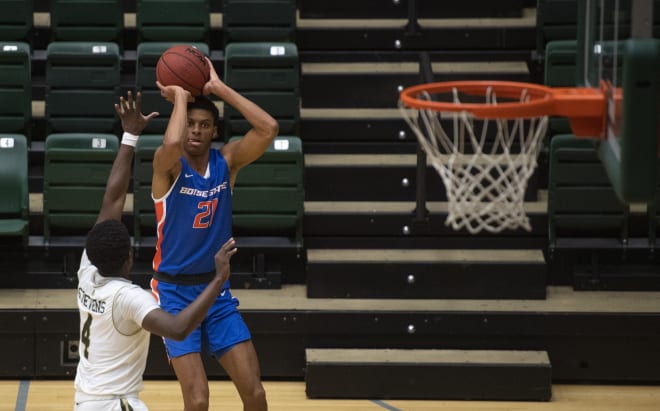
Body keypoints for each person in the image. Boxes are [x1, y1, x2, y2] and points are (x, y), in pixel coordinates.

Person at [74, 91, 238, 411]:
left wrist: (130, 136)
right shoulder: (129, 298)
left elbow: (111, 202)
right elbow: (177, 328)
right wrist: (218, 279)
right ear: (130, 258)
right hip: (116, 404)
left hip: (85, 401)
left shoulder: (86, 271)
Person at [150, 57, 278, 411]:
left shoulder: (227, 163)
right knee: (199, 399)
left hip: (216, 290)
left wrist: (218, 89)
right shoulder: (168, 168)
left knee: (255, 394)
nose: (195, 130)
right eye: (190, 123)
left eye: (205, 124)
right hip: (173, 293)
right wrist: (180, 97)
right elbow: (171, 146)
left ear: (214, 132)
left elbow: (268, 128)